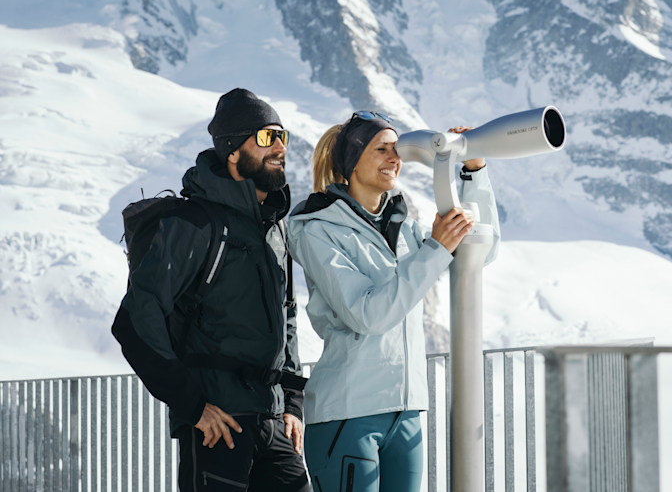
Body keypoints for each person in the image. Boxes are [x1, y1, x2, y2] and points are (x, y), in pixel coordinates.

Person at [288, 111, 500, 492]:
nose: (394, 158)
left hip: (406, 415)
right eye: (381, 149)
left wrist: (472, 173)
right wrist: (435, 249)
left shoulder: (406, 230)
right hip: (348, 413)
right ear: (351, 161)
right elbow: (368, 314)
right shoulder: (318, 232)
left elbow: (480, 251)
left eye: (396, 149)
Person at [112, 88, 310, 492]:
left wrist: (291, 403)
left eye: (282, 136)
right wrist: (193, 406)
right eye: (266, 136)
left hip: (272, 422)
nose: (279, 147)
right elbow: (134, 319)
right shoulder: (195, 223)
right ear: (233, 151)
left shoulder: (274, 228)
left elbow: (286, 316)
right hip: (218, 424)